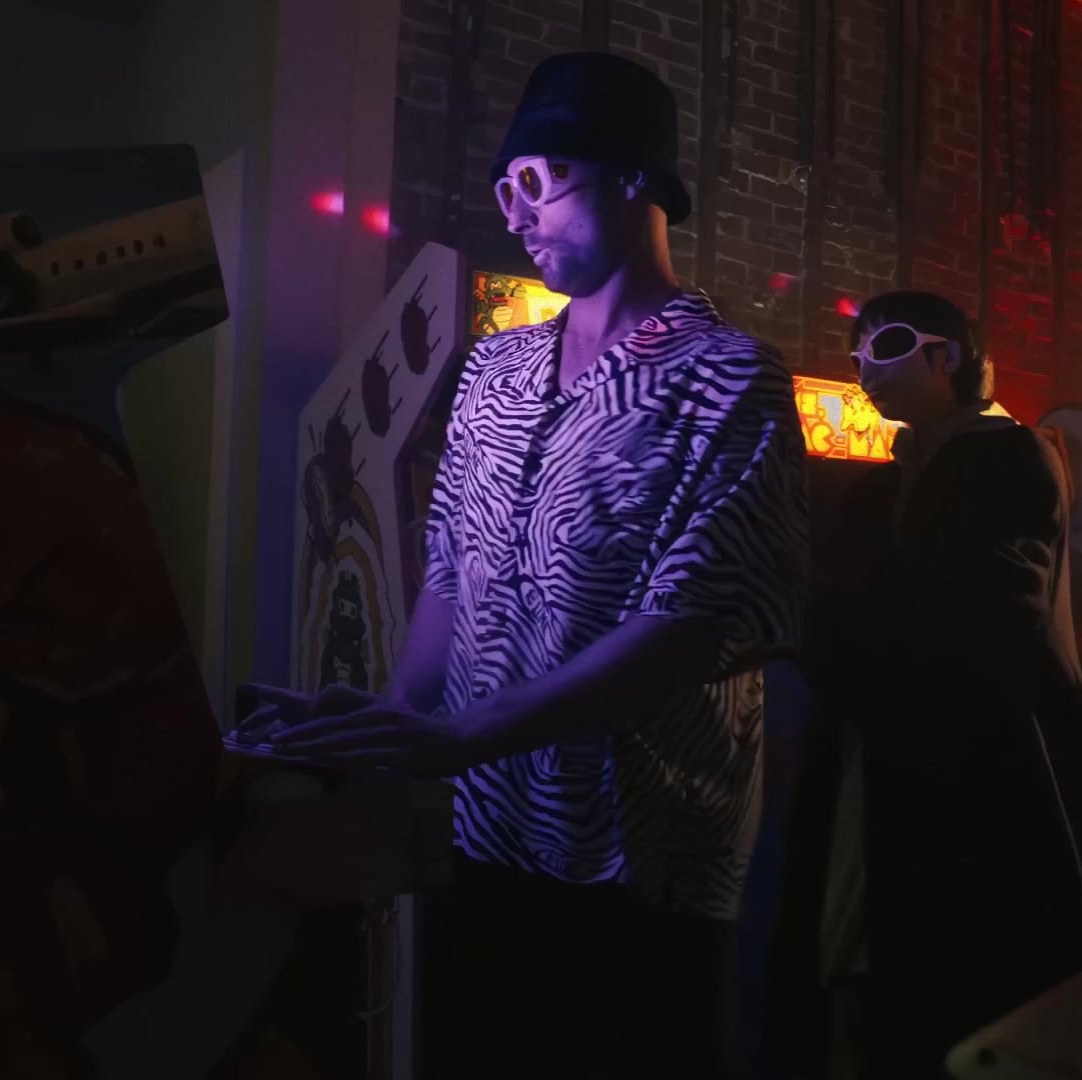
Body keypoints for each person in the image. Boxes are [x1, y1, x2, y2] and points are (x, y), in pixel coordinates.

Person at [237, 52, 809, 1079]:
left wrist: (464, 733)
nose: (517, 215)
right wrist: (397, 725)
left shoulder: (729, 377)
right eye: (504, 191)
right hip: (478, 827)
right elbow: (452, 568)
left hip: (636, 855)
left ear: (632, 173)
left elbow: (696, 621)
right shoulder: (496, 370)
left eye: (538, 181)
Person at [764, 292, 1082, 1079]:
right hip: (881, 755)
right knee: (852, 965)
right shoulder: (897, 475)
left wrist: (833, 631)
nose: (865, 370)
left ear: (945, 355)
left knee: (943, 985)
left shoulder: (1011, 456)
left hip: (970, 764)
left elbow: (982, 610)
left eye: (885, 347)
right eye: (856, 356)